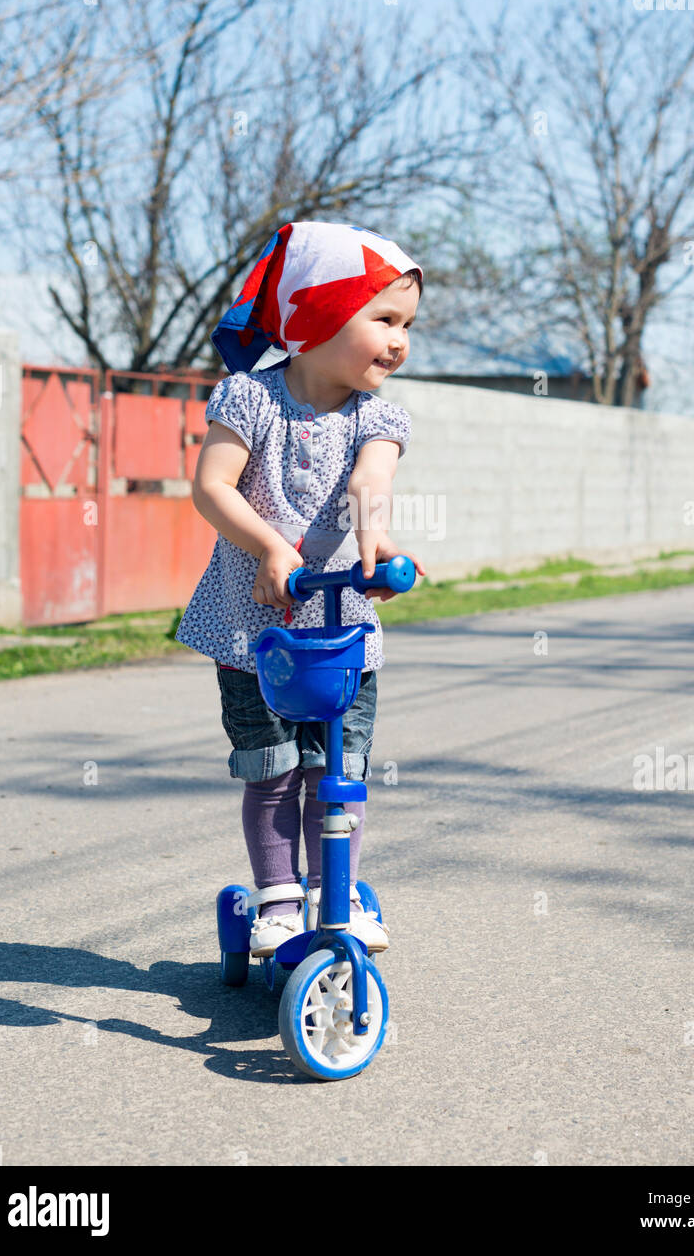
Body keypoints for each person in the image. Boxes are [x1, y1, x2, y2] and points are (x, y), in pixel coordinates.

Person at [176, 221, 425, 958]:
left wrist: (374, 543)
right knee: (275, 769)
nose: (399, 339)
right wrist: (269, 547)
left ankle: (333, 891)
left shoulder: (377, 416)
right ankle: (280, 897)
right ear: (316, 314)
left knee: (337, 768)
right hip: (252, 630)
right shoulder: (248, 398)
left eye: (407, 324)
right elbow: (211, 485)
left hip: (340, 626)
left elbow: (367, 482)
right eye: (382, 318)